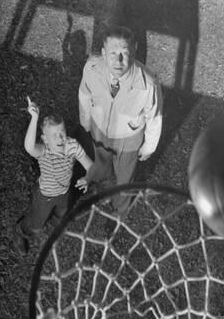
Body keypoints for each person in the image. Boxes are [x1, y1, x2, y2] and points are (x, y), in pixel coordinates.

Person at [78, 26, 163, 214]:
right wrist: (85, 120)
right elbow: (84, 95)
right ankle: (101, 173)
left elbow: (154, 117)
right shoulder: (91, 68)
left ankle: (120, 209)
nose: (118, 61)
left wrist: (149, 146)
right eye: (112, 53)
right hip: (99, 128)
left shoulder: (148, 84)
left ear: (135, 50)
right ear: (102, 52)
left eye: (125, 53)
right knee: (101, 158)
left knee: (125, 178)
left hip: (129, 138)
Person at [15, 97, 93, 254]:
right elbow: (29, 147)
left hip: (64, 192)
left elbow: (90, 165)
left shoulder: (71, 146)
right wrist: (34, 118)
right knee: (36, 223)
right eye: (54, 135)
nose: (60, 138)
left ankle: (57, 224)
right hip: (46, 195)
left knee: (62, 213)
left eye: (62, 132)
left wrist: (88, 178)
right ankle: (20, 232)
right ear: (45, 139)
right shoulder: (44, 151)